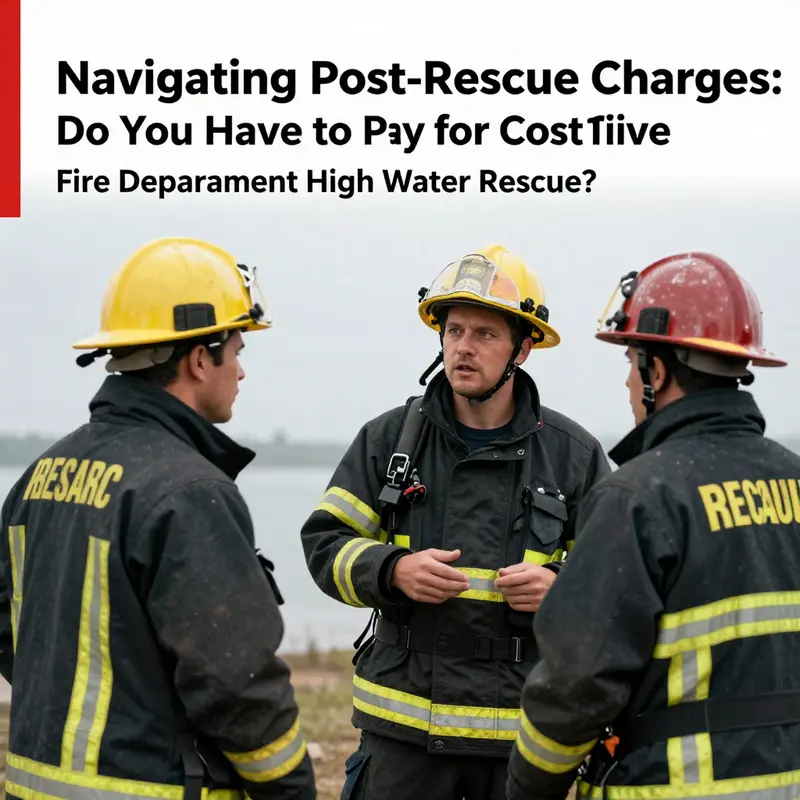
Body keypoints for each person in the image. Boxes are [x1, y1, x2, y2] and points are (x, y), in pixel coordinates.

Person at [0, 237, 316, 800]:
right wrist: (289, 788)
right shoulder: (189, 491)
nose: (240, 372)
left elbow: (13, 629)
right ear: (200, 358)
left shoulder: (41, 474)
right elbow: (236, 683)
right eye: (237, 351)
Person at [299, 244, 610, 800]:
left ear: (524, 347)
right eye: (454, 330)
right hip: (402, 741)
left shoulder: (574, 456)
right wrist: (390, 570)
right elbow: (325, 546)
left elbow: (618, 582)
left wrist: (563, 587)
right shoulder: (387, 440)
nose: (463, 348)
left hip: (524, 743)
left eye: (485, 334)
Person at [506, 251, 799, 800]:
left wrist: (527, 786)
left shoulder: (636, 497)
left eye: (630, 364)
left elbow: (577, 685)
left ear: (655, 372)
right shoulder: (795, 480)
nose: (626, 384)